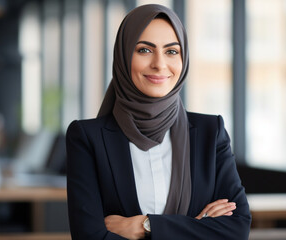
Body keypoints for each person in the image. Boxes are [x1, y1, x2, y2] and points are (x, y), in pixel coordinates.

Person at [66, 4, 251, 240]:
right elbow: (89, 236)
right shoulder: (86, 137)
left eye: (172, 51)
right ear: (123, 56)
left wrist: (147, 226)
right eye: (144, 50)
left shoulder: (210, 132)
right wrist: (195, 227)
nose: (160, 64)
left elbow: (237, 229)